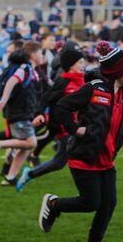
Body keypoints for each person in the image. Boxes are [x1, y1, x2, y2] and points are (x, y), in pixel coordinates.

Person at [37, 41, 123, 242]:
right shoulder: (93, 89)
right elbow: (62, 107)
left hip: (107, 158)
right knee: (91, 202)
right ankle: (53, 204)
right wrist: (75, 130)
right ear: (118, 71)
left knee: (109, 203)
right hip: (84, 155)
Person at [16, 48, 86, 191]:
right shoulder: (63, 82)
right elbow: (45, 98)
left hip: (75, 125)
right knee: (63, 159)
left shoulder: (82, 81)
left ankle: (89, 185)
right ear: (71, 65)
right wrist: (40, 113)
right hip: (62, 126)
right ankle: (30, 172)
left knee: (65, 160)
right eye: (80, 62)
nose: (83, 65)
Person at [0, 41, 45, 186]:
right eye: (41, 53)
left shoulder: (34, 71)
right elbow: (11, 81)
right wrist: (3, 101)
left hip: (26, 113)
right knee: (31, 143)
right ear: (33, 55)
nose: (43, 56)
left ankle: (10, 177)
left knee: (24, 147)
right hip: (19, 113)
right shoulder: (26, 69)